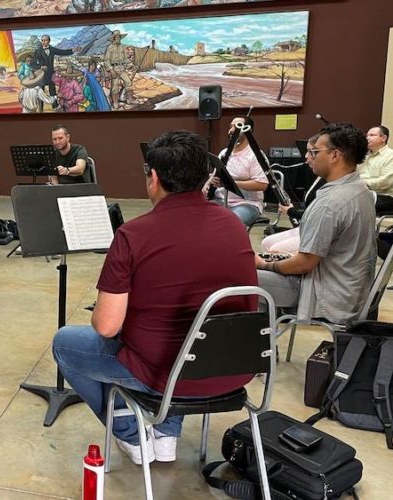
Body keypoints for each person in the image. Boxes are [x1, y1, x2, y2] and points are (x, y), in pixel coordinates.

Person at [53, 131, 258, 465]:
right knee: (181, 336)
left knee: (66, 343)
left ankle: (132, 437)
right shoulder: (234, 225)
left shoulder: (134, 235)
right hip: (233, 367)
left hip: (164, 373)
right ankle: (165, 435)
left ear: (153, 177)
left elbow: (105, 326)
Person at [256, 123, 376, 324]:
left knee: (243, 278)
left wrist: (267, 265)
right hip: (350, 288)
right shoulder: (360, 189)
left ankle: (260, 349)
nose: (307, 157)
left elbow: (305, 264)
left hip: (329, 295)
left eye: (313, 151)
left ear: (335, 155)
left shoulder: (330, 203)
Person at [261, 134, 325, 254]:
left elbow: (317, 216)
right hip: (308, 227)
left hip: (317, 232)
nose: (306, 156)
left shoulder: (330, 184)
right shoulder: (320, 177)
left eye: (311, 152)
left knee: (275, 250)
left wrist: (291, 211)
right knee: (266, 243)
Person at [206, 116, 269, 226]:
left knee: (231, 222)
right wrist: (211, 181)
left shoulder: (255, 155)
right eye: (231, 126)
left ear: (248, 130)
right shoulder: (224, 153)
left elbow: (262, 184)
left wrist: (230, 183)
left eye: (237, 126)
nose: (231, 130)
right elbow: (218, 176)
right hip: (220, 200)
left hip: (247, 204)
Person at [32, 34, 75, 112]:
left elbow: (62, 52)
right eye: (42, 40)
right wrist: (41, 67)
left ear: (49, 41)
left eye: (45, 40)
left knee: (53, 90)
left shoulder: (52, 49)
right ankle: (41, 107)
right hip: (42, 75)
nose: (43, 42)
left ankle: (54, 105)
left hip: (51, 73)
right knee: (41, 91)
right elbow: (33, 63)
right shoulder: (38, 51)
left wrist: (72, 50)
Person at [357, 126, 393, 213]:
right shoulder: (364, 156)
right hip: (362, 193)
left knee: (351, 203)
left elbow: (385, 182)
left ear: (383, 138)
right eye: (367, 135)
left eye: (372, 135)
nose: (367, 138)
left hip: (384, 197)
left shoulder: (390, 156)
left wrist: (361, 183)